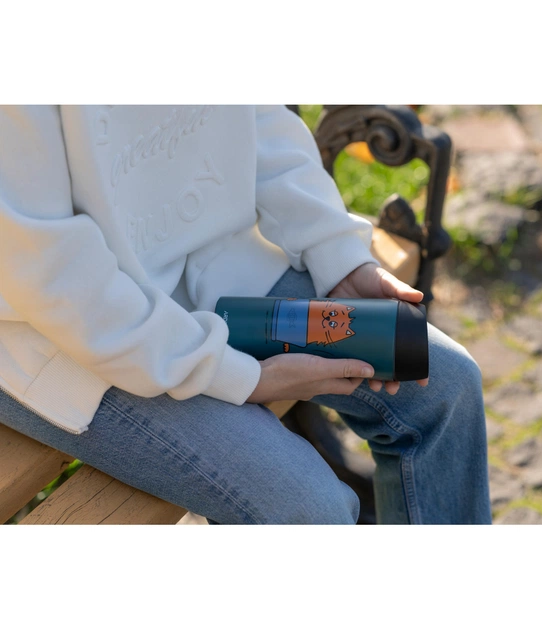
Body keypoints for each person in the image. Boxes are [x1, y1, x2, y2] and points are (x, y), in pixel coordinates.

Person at [0, 105, 491, 524]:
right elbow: (49, 268)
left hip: (216, 262)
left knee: (446, 387)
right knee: (308, 512)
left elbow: (257, 118)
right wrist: (237, 376)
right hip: (56, 334)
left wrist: (336, 252)